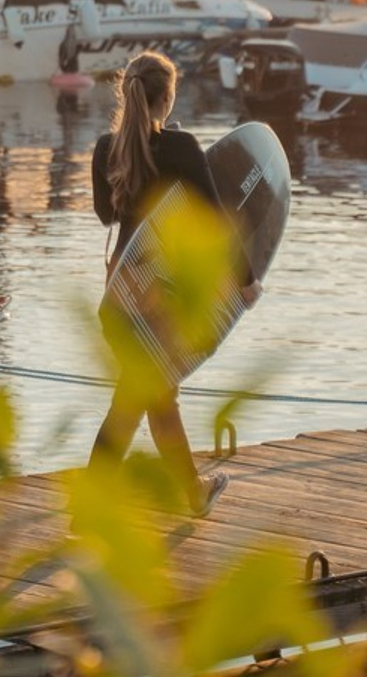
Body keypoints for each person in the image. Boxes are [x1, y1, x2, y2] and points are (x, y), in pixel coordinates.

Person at [88, 51, 260, 516]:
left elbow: (107, 215)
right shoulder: (180, 148)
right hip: (160, 298)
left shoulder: (106, 148)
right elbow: (216, 220)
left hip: (121, 296)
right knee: (139, 401)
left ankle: (188, 492)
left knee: (148, 396)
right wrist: (246, 279)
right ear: (168, 97)